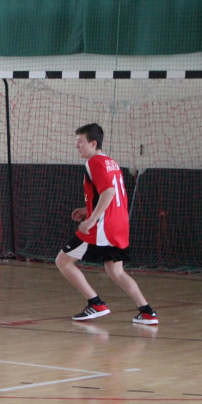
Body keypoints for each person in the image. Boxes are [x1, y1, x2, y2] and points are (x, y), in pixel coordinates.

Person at [55, 123, 158, 325]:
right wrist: (87, 209)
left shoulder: (94, 162)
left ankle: (96, 304)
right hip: (119, 224)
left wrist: (91, 220)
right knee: (116, 271)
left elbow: (109, 193)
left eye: (80, 142)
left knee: (63, 261)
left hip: (103, 227)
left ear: (93, 143)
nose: (77, 146)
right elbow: (112, 195)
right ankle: (147, 313)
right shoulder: (111, 162)